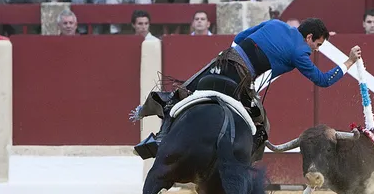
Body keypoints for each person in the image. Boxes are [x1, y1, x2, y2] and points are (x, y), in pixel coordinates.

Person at [132, 18, 362, 160]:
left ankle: (156, 130)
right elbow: (322, 80)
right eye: (318, 44)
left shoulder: (275, 23)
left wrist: (235, 57)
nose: (316, 50)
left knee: (183, 91)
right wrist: (349, 62)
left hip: (224, 60)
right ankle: (242, 164)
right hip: (242, 78)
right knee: (261, 127)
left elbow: (240, 37)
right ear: (310, 37)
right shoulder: (300, 52)